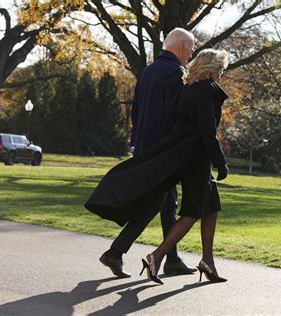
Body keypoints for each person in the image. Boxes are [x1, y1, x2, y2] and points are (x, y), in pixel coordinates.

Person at [85, 48, 229, 285]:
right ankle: (157, 256)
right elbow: (207, 130)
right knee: (192, 211)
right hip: (196, 159)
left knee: (210, 205)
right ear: (212, 69)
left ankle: (207, 261)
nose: (222, 75)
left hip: (180, 156)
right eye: (221, 70)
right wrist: (220, 161)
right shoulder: (206, 90)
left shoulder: (189, 88)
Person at [95, 28, 197, 278]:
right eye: (191, 50)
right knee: (156, 202)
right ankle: (116, 252)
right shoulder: (176, 73)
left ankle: (170, 258)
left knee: (167, 202)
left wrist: (137, 143)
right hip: (164, 152)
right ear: (182, 47)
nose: (191, 55)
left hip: (145, 148)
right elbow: (176, 115)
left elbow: (136, 113)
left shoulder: (148, 72)